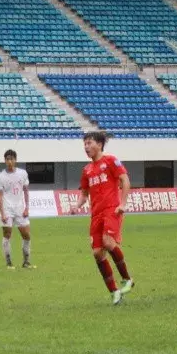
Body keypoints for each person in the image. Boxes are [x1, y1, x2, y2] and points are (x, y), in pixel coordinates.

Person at [71, 131, 134, 305]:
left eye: (89, 143)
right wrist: (77, 205)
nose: (86, 147)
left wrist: (123, 203)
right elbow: (84, 194)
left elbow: (125, 180)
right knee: (97, 253)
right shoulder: (87, 170)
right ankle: (114, 291)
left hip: (111, 210)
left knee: (108, 242)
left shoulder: (111, 161)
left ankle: (127, 279)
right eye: (84, 144)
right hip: (96, 214)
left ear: (99, 144)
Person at [0, 150, 33, 269]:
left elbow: (26, 191)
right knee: (7, 234)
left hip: (20, 208)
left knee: (26, 235)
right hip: (7, 208)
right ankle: (9, 262)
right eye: (7, 159)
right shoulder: (0, 176)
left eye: (12, 159)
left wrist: (27, 208)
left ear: (15, 160)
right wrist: (2, 214)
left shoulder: (22, 173)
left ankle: (26, 262)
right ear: (5, 161)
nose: (10, 161)